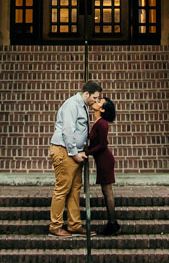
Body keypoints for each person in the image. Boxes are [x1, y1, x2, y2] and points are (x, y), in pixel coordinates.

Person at [47, 80, 102, 237]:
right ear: (86, 94)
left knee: (75, 188)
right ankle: (55, 225)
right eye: (95, 98)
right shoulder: (72, 105)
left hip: (73, 152)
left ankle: (74, 224)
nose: (96, 101)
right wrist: (74, 153)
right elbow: (68, 131)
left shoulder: (82, 105)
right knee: (62, 188)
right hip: (64, 151)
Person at [89, 93, 120, 237]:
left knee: (107, 191)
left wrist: (87, 152)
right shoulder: (98, 122)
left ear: (102, 110)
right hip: (101, 160)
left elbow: (102, 145)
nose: (95, 101)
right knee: (105, 191)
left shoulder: (102, 124)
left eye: (99, 101)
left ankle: (112, 223)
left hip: (104, 160)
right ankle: (112, 223)